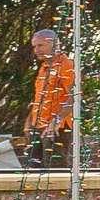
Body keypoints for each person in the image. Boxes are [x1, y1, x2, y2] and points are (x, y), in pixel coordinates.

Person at [24, 27, 75, 169]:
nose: (37, 50)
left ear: (54, 44)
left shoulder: (66, 65)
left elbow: (73, 97)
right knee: (32, 171)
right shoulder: (43, 67)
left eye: (41, 45)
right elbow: (38, 99)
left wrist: (56, 121)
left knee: (54, 172)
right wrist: (29, 122)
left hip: (57, 127)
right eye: (34, 46)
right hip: (38, 126)